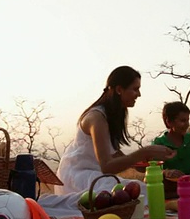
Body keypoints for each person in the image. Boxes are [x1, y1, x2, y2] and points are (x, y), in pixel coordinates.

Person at [54, 65, 176, 197]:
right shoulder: (96, 117)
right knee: (141, 192)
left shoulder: (112, 115)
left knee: (148, 189)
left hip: (95, 176)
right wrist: (145, 152)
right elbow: (107, 166)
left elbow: (116, 154)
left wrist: (145, 165)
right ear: (119, 89)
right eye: (135, 89)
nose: (139, 94)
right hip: (78, 177)